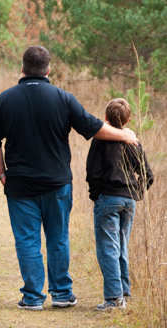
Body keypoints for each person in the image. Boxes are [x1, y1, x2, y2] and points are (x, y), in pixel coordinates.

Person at [0, 46, 139, 311]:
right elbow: (93, 126)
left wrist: (2, 174)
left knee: (27, 241)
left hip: (19, 184)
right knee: (58, 238)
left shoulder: (4, 100)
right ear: (48, 69)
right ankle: (62, 295)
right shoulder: (63, 98)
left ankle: (32, 298)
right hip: (57, 184)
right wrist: (124, 135)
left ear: (22, 68)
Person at [86, 98, 154, 311]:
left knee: (108, 247)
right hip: (128, 200)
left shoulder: (99, 141)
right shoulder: (133, 142)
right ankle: (124, 292)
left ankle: (114, 298)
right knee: (121, 245)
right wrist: (135, 193)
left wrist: (96, 195)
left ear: (105, 118)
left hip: (108, 198)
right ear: (128, 119)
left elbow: (92, 173)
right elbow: (148, 175)